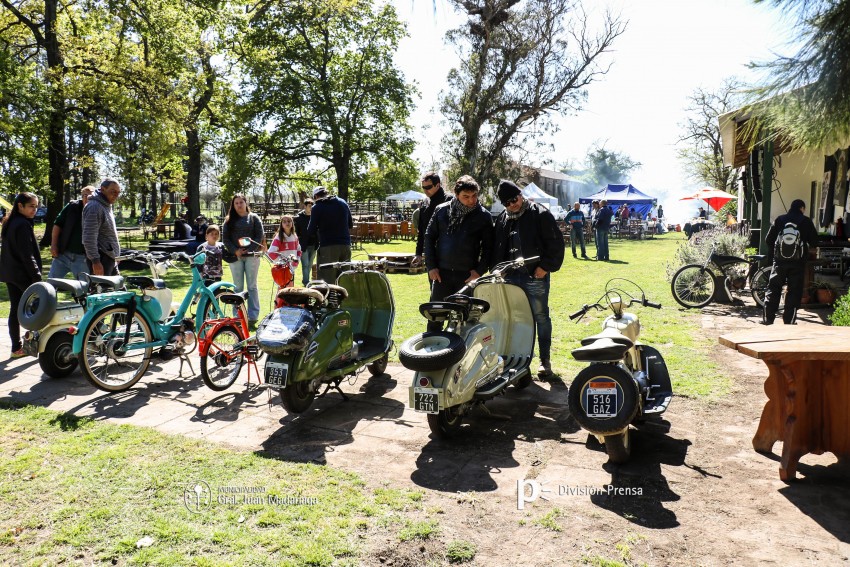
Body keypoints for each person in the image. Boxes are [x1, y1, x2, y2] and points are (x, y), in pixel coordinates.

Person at [491, 180, 564, 377]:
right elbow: (496, 248)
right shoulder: (502, 219)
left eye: (514, 199)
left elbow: (556, 243)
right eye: (507, 203)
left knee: (540, 317)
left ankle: (544, 361)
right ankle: (518, 362)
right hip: (510, 278)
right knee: (514, 320)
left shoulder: (540, 214)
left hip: (535, 276)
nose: (512, 204)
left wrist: (545, 267)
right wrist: (497, 269)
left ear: (520, 194)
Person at [424, 175, 493, 332]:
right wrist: (431, 266)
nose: (471, 200)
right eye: (466, 196)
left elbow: (489, 248)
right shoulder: (441, 211)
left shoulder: (483, 216)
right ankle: (431, 353)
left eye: (475, 195)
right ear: (456, 194)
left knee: (464, 319)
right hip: (442, 274)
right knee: (436, 317)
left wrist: (479, 271)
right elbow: (429, 237)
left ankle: (460, 354)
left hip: (467, 276)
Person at [0, 192, 42, 358]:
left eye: (36, 206)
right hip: (23, 275)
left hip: (10, 273)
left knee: (16, 310)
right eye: (31, 206)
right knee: (40, 309)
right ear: (20, 206)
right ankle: (38, 344)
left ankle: (17, 348)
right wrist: (36, 276)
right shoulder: (22, 224)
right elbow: (27, 254)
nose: (35, 210)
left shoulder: (10, 222)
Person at [763, 199, 818, 325]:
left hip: (779, 263)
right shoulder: (806, 221)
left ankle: (768, 319)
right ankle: (789, 321)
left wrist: (775, 254)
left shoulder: (779, 219)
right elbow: (814, 241)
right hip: (797, 264)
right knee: (794, 291)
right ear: (802, 208)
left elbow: (768, 239)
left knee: (774, 288)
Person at [222, 194, 266, 325]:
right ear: (233, 205)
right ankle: (237, 315)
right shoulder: (229, 220)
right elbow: (225, 239)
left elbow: (260, 235)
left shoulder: (254, 218)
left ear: (246, 203)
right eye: (236, 203)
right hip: (236, 257)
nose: (239, 205)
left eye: (241, 202)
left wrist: (250, 249)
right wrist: (236, 250)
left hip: (252, 256)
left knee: (252, 286)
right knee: (238, 287)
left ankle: (253, 316)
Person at [306, 186, 353, 283]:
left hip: (328, 246)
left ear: (315, 196)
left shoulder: (317, 207)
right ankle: (344, 298)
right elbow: (350, 224)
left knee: (326, 281)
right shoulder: (342, 202)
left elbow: (311, 230)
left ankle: (329, 299)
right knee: (344, 279)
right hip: (345, 245)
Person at [48, 185, 94, 279]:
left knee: (84, 288)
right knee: (51, 284)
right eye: (84, 195)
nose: (87, 198)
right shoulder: (73, 206)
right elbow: (57, 225)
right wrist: (54, 245)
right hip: (63, 255)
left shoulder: (96, 210)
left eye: (90, 196)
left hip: (83, 258)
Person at [82, 179, 122, 276]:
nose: (116, 195)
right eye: (113, 192)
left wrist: (116, 256)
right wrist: (96, 262)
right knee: (102, 290)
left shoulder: (106, 205)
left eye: (118, 192)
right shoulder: (94, 207)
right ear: (103, 189)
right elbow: (89, 238)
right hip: (101, 259)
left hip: (110, 258)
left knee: (119, 289)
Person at [412, 172, 451, 267]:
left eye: (428, 187)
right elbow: (421, 230)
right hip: (430, 252)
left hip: (448, 252)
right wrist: (418, 253)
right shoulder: (424, 203)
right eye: (423, 188)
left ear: (437, 185)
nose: (425, 191)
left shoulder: (449, 200)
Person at [294, 199, 317, 286]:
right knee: (305, 264)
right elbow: (296, 232)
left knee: (310, 264)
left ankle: (307, 280)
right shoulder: (299, 218)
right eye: (309, 206)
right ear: (305, 206)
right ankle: (306, 281)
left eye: (312, 206)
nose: (311, 208)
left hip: (313, 244)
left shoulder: (315, 217)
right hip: (303, 244)